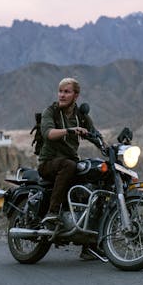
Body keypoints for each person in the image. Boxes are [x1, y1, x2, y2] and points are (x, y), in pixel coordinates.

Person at [37, 77, 98, 260]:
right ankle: (52, 213)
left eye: (67, 92)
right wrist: (70, 130)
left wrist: (108, 145)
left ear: (76, 95)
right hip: (49, 163)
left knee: (94, 183)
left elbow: (94, 133)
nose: (62, 95)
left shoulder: (81, 115)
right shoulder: (51, 111)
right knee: (69, 164)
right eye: (61, 91)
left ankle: (90, 245)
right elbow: (48, 133)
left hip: (69, 164)